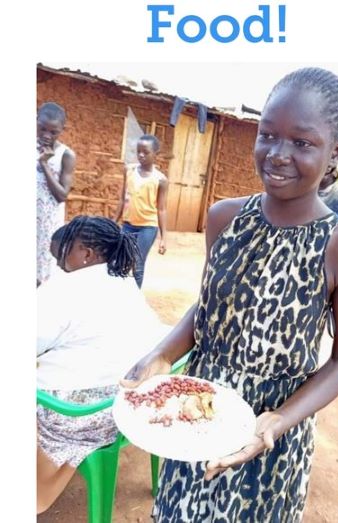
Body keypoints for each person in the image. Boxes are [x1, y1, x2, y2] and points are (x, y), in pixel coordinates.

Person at [122, 67, 338, 522]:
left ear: (335, 151)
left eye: (302, 142)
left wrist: (278, 420)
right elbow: (210, 306)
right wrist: (162, 355)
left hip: (272, 434)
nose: (277, 154)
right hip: (199, 416)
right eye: (268, 135)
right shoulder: (224, 219)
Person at [37, 216, 169, 514]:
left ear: (85, 253)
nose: (58, 266)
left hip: (74, 416)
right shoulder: (124, 282)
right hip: (126, 409)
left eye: (61, 257)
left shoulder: (64, 289)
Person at [115, 134, 169, 288]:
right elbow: (122, 199)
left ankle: (134, 297)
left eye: (145, 152)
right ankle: (119, 292)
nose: (141, 155)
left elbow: (161, 209)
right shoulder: (129, 170)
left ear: (156, 154)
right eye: (138, 151)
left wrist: (164, 238)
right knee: (121, 259)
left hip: (147, 227)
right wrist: (113, 221)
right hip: (128, 225)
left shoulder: (161, 180)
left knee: (137, 263)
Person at [37, 101, 76, 286]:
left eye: (53, 132)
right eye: (42, 129)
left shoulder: (65, 155)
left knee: (42, 274)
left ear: (62, 130)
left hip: (47, 224)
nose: (46, 135)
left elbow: (62, 195)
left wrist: (45, 164)